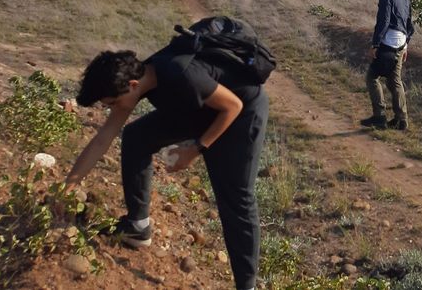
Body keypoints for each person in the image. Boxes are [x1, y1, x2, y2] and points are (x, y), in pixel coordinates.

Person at [65, 39, 269, 290]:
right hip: (196, 109)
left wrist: (195, 150)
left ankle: (246, 286)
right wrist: (67, 187)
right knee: (136, 136)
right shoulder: (139, 80)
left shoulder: (181, 74)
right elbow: (102, 139)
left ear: (132, 85)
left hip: (239, 113)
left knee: (236, 197)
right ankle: (138, 227)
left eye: (112, 104)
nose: (112, 110)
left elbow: (233, 106)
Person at [360, 0, 415, 130]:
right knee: (394, 80)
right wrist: (406, 45)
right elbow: (410, 24)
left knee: (372, 77)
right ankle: (401, 119)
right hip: (401, 43)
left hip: (388, 42)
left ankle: (379, 117)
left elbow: (383, 21)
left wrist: (375, 44)